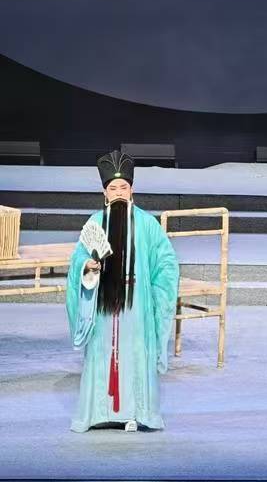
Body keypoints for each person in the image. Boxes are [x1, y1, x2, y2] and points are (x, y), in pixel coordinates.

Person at [66, 151, 179, 432]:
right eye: (113, 188)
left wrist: (157, 294)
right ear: (104, 193)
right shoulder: (94, 222)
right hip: (103, 304)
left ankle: (135, 412)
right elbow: (77, 259)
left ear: (132, 190)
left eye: (123, 187)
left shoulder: (147, 224)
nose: (118, 193)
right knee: (102, 352)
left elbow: (166, 263)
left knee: (133, 353)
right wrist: (86, 266)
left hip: (136, 304)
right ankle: (98, 414)